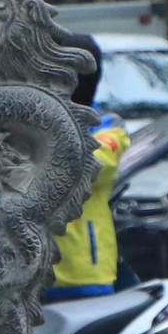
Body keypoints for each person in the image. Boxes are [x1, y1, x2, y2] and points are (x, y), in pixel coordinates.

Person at [46, 30, 132, 299]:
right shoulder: (35, 119)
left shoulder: (109, 127)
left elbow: (91, 164)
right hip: (35, 273)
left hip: (85, 274)